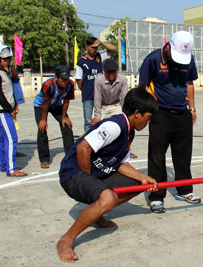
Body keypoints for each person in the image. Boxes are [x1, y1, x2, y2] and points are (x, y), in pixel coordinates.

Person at [56, 87, 159, 263]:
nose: (147, 123)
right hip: (72, 173)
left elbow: (120, 164)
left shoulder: (129, 131)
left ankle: (96, 213)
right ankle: (66, 239)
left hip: (97, 172)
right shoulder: (114, 126)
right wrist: (90, 183)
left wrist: (143, 177)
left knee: (139, 185)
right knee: (108, 198)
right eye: (147, 118)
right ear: (136, 113)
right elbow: (83, 148)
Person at [138, 31, 200, 213]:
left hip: (182, 114)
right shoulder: (153, 59)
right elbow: (142, 87)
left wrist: (192, 109)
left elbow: (189, 83)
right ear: (168, 46)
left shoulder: (188, 58)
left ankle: (184, 190)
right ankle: (156, 196)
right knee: (157, 156)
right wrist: (146, 114)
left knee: (183, 154)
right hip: (160, 114)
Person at [91, 59, 138, 158]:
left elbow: (124, 98)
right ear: (104, 71)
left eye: (113, 71)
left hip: (116, 105)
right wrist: (97, 117)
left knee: (126, 125)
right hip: (102, 106)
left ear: (117, 71)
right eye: (108, 71)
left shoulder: (122, 79)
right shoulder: (99, 80)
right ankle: (95, 150)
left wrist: (127, 115)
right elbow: (97, 99)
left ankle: (125, 150)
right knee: (95, 125)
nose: (111, 74)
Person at [33, 66, 75, 168]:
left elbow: (66, 101)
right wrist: (43, 120)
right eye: (63, 79)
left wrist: (64, 117)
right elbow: (45, 103)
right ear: (56, 78)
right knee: (42, 129)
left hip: (57, 105)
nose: (65, 81)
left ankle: (71, 156)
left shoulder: (70, 84)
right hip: (41, 105)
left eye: (67, 78)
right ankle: (44, 159)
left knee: (67, 126)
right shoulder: (48, 84)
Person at [75, 37, 116, 132]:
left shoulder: (99, 56)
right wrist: (85, 90)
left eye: (96, 47)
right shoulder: (81, 62)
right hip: (88, 96)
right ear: (87, 47)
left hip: (101, 95)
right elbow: (79, 80)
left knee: (102, 119)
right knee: (88, 121)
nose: (95, 49)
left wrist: (101, 42)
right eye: (92, 47)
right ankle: (87, 140)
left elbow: (112, 49)